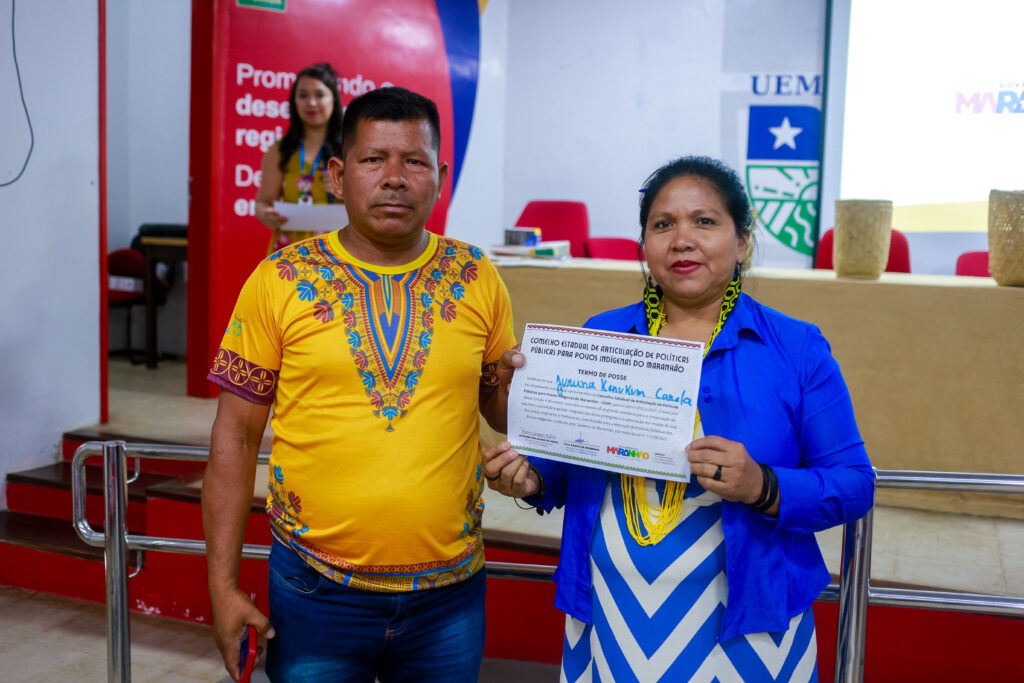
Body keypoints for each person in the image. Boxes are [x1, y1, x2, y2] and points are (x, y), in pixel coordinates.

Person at [484, 156, 875, 682]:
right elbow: (568, 462)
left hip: (751, 630)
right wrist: (530, 477)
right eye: (663, 224)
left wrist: (763, 486)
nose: (682, 240)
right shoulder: (601, 337)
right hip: (611, 616)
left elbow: (854, 485)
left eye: (704, 221)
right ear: (644, 245)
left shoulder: (796, 348)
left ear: (742, 241)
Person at [203, 86, 521, 682]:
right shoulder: (280, 279)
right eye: (374, 159)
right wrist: (221, 586)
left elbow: (497, 410)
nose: (394, 178)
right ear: (338, 175)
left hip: (449, 597)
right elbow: (235, 437)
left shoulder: (476, 275)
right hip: (314, 590)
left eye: (415, 161)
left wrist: (516, 391)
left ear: (439, 177)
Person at [254, 62, 344, 255]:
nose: (311, 102)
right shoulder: (279, 151)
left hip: (338, 252)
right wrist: (265, 214)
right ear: (294, 101)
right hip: (290, 254)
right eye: (303, 95)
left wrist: (345, 190)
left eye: (319, 95)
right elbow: (263, 203)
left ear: (333, 99)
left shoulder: (351, 149)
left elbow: (371, 207)